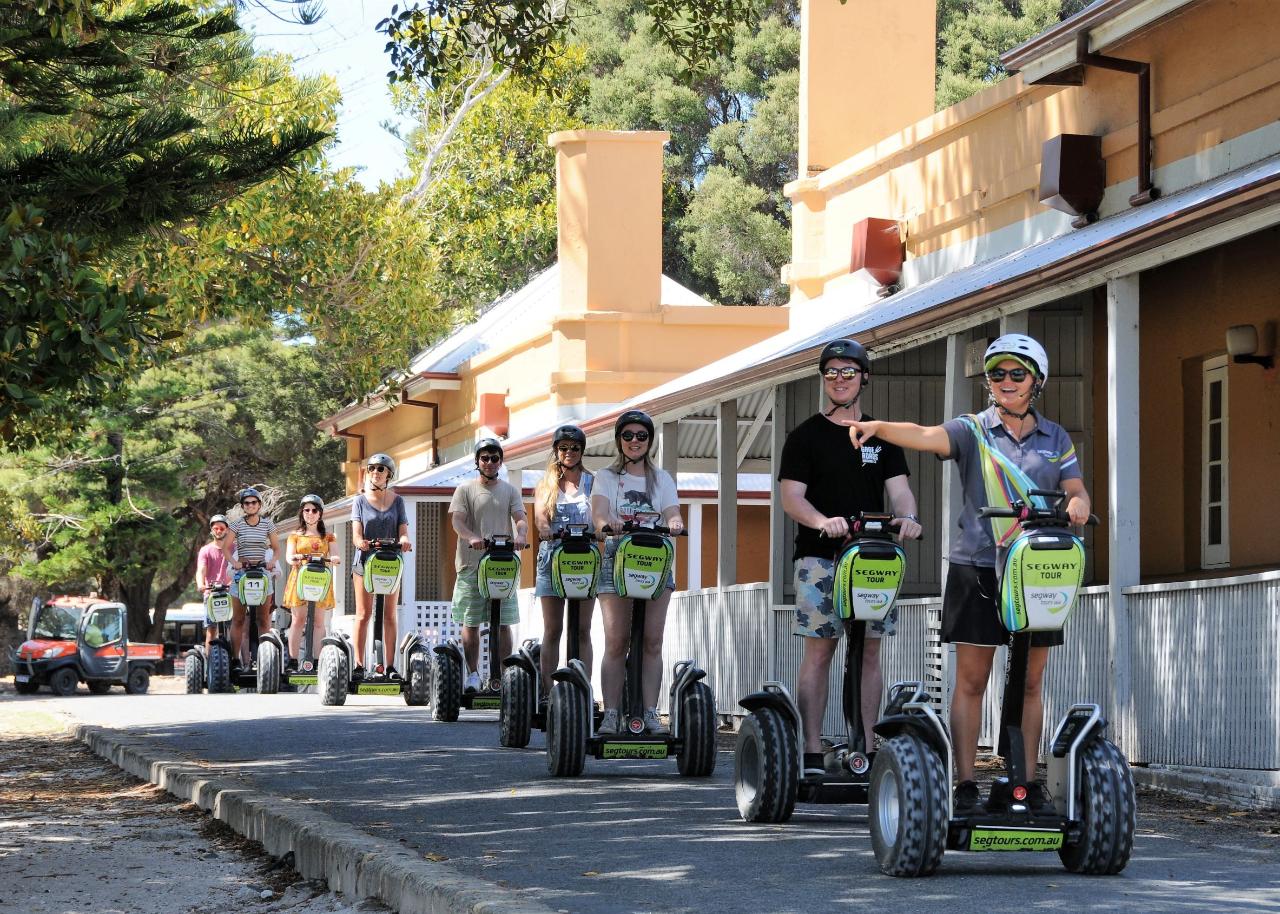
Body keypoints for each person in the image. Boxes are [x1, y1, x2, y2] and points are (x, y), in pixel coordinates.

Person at [844, 333, 1091, 814]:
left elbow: (1076, 488)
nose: (1005, 382)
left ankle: (1024, 781)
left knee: (1032, 682)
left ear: (1035, 381)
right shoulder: (973, 430)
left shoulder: (1056, 437)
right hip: (977, 565)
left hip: (1035, 570)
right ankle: (965, 784)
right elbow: (926, 434)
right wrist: (880, 427)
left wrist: (1079, 504)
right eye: (996, 373)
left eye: (1016, 374)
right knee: (973, 679)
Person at [779, 339, 922, 778]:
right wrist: (823, 521)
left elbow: (900, 492)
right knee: (821, 651)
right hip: (821, 557)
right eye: (831, 372)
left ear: (864, 377)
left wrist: (910, 519)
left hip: (873, 558)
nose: (839, 380)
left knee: (872, 651)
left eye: (848, 371)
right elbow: (791, 498)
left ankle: (866, 745)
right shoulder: (805, 436)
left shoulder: (880, 436)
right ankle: (812, 748)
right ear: (824, 379)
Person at [590, 410, 684, 736]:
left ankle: (649, 712)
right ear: (619, 440)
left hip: (655, 560)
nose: (634, 441)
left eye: (640, 436)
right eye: (627, 435)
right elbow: (599, 513)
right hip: (617, 557)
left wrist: (674, 523)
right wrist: (605, 524)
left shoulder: (662, 479)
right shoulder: (605, 477)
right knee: (616, 641)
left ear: (649, 440)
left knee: (652, 642)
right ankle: (612, 713)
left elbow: (673, 512)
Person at [449, 438, 529, 692]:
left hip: (501, 564)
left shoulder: (509, 490)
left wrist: (521, 535)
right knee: (471, 621)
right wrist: (471, 537)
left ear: (501, 461)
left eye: (495, 458)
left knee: (504, 622)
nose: (490, 462)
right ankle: (473, 675)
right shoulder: (465, 489)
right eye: (485, 458)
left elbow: (520, 518)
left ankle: (504, 676)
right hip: (472, 565)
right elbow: (458, 521)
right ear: (477, 461)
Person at [532, 425, 595, 708]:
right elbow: (540, 517)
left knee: (582, 629)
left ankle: (583, 689)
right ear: (556, 451)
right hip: (552, 558)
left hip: (584, 559)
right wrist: (545, 529)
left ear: (582, 451)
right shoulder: (545, 484)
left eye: (575, 448)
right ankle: (548, 693)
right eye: (564, 448)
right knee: (553, 629)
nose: (569, 453)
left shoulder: (593, 482)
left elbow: (602, 513)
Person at [352, 453, 413, 679]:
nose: (376, 472)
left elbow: (403, 531)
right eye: (372, 469)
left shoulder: (398, 501)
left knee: (389, 615)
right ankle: (359, 665)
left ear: (389, 474)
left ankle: (389, 667)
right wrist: (361, 542)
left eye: (381, 469)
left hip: (389, 563)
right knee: (363, 614)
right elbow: (356, 534)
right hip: (365, 563)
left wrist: (405, 541)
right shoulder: (359, 501)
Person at [221, 488, 281, 669]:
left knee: (263, 620)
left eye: (254, 502)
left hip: (262, 571)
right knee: (238, 619)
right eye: (247, 503)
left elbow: (277, 549)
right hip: (242, 572)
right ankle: (235, 660)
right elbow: (226, 548)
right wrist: (235, 562)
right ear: (243, 506)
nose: (250, 505)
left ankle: (266, 661)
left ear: (259, 505)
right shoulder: (237, 524)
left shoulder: (267, 524)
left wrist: (272, 561)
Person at [282, 494, 340, 671]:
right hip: (300, 579)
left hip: (319, 580)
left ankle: (316, 661)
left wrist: (334, 559)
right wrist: (296, 557)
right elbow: (289, 556)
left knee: (318, 622)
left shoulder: (329, 537)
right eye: (306, 510)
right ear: (302, 513)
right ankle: (292, 661)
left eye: (314, 510)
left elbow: (336, 556)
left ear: (320, 514)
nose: (310, 513)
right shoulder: (295, 536)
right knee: (298, 619)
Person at [194, 515, 233, 653]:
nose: (218, 530)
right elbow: (201, 570)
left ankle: (235, 661)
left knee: (233, 628)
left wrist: (233, 582)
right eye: (215, 528)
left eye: (221, 528)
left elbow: (238, 568)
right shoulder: (206, 550)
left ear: (227, 530)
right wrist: (200, 583)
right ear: (212, 530)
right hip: (211, 593)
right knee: (211, 629)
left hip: (230, 593)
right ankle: (209, 664)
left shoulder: (233, 548)